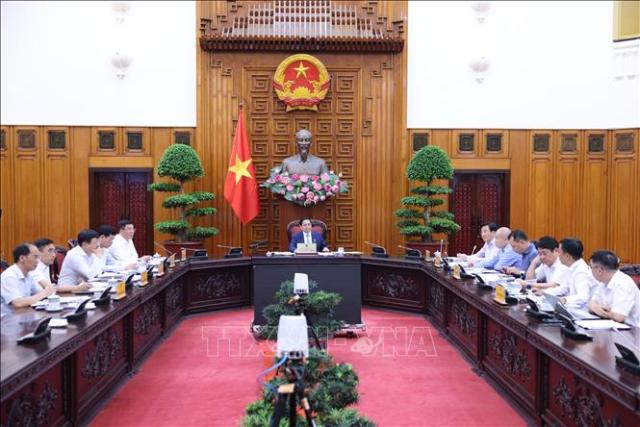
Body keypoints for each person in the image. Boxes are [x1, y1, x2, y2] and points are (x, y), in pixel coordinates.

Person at [588, 250, 640, 327]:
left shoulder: (623, 283)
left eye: (591, 267)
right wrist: (597, 308)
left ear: (600, 271)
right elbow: (591, 303)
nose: (590, 270)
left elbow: (619, 317)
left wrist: (597, 309)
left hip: (633, 329)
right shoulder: (603, 281)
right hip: (614, 325)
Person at [1, 243, 54, 316]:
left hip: (23, 315)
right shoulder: (9, 276)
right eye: (35, 257)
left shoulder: (28, 274)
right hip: (7, 319)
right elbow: (18, 303)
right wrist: (44, 293)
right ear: (22, 258)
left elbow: (38, 293)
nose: (38, 261)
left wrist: (46, 292)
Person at [546, 238, 597, 309]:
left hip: (583, 310)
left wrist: (565, 299)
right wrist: (544, 292)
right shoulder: (570, 267)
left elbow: (583, 297)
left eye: (559, 252)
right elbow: (563, 288)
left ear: (567, 256)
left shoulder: (581, 272)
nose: (558, 255)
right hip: (574, 307)